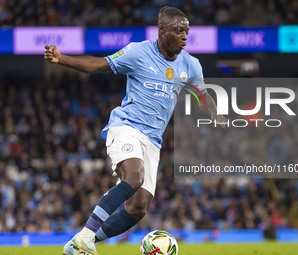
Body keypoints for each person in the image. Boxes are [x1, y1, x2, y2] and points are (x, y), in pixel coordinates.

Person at [44, 6, 225, 255]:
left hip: (153, 141)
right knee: (134, 176)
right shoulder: (138, 52)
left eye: (187, 32)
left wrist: (214, 113)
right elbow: (99, 64)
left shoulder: (191, 65)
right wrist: (62, 59)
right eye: (179, 31)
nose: (185, 36)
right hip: (127, 127)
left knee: (138, 208)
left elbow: (202, 95)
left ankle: (80, 245)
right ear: (162, 30)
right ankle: (85, 235)